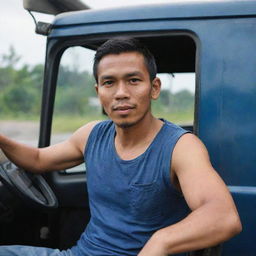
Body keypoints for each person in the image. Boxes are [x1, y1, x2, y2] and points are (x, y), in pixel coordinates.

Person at [0, 38, 241, 256]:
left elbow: (223, 216)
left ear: (154, 88)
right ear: (99, 91)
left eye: (133, 80)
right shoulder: (92, 135)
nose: (121, 93)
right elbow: (39, 159)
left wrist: (161, 241)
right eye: (109, 83)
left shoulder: (181, 147)